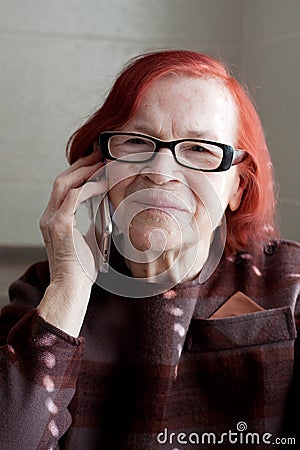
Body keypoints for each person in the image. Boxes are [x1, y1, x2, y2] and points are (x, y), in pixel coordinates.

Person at [0, 50, 299, 450]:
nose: (160, 171)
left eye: (199, 149)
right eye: (137, 142)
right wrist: (68, 290)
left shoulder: (290, 284)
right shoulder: (44, 290)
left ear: (238, 188)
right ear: (98, 166)